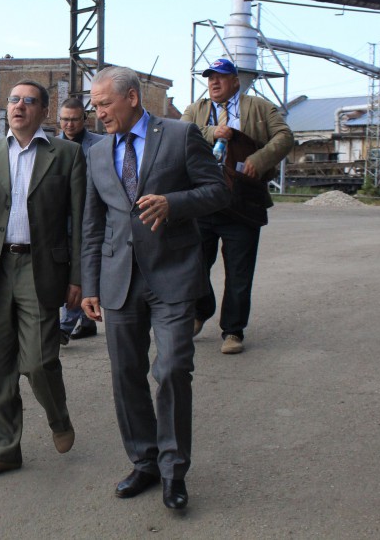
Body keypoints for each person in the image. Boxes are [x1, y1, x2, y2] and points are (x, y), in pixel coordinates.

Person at [80, 66, 229, 510]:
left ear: (131, 98)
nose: (98, 112)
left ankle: (173, 470)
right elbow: (93, 223)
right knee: (125, 374)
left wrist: (173, 203)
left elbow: (218, 191)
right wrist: (89, 283)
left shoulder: (180, 136)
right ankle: (143, 461)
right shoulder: (97, 152)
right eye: (94, 104)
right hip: (118, 279)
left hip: (173, 274)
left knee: (173, 369)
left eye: (104, 103)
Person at [0, 79, 85, 478]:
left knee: (40, 362)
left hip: (40, 267)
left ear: (44, 111)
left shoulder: (66, 154)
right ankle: (5, 449)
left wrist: (78, 277)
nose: (19, 106)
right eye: (14, 99)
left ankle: (58, 417)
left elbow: (79, 222)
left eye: (29, 101)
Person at [181, 58, 293, 354]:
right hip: (203, 201)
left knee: (239, 272)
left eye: (220, 77)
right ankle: (201, 309)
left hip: (242, 202)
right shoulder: (195, 110)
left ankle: (233, 331)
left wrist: (260, 159)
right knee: (193, 265)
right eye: (210, 78)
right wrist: (211, 133)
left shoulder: (259, 107)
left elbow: (285, 136)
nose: (214, 82)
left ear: (235, 81)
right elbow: (179, 134)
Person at [56, 97, 104, 345]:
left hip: (89, 217)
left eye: (74, 119)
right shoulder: (51, 146)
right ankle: (86, 322)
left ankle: (64, 327)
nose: (69, 124)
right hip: (59, 218)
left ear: (84, 119)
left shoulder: (100, 144)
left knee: (82, 269)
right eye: (65, 119)